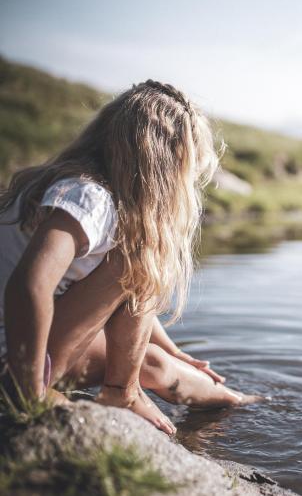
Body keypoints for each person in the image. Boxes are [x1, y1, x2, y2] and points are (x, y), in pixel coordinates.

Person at [0, 80, 259, 435]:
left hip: (20, 344)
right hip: (13, 358)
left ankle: (235, 401)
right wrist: (30, 390)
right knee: (143, 257)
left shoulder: (71, 187)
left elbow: (120, 294)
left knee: (154, 359)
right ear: (163, 168)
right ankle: (123, 392)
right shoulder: (89, 200)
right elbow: (30, 286)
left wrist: (173, 349)